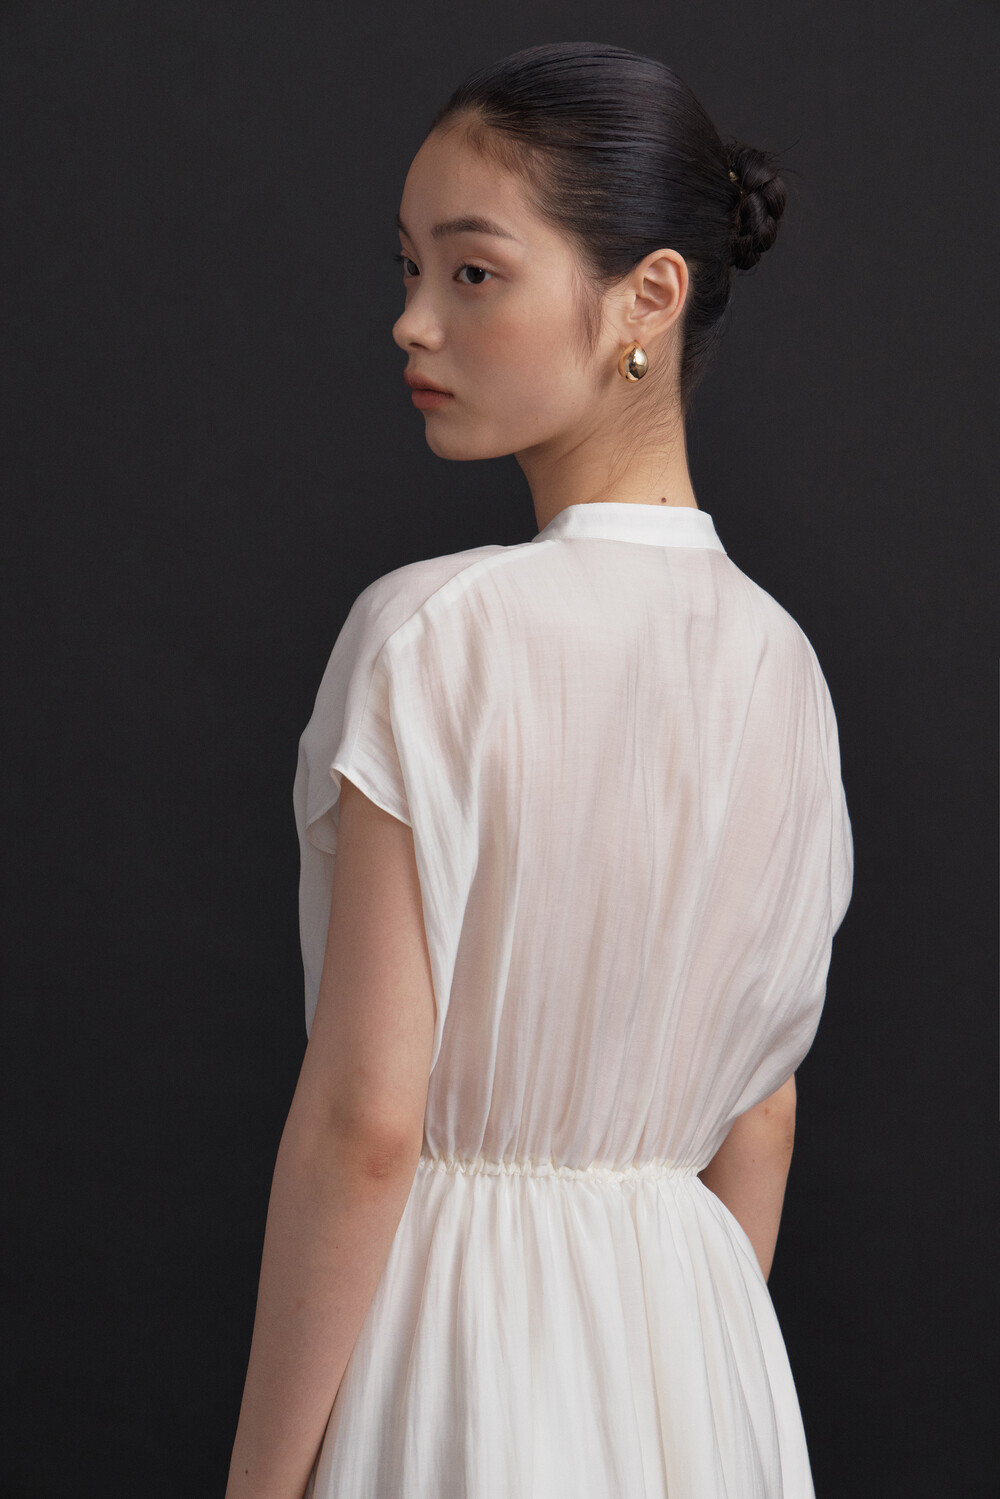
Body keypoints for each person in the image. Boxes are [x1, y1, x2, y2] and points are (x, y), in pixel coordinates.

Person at [225, 40, 853, 1499]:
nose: (411, 321)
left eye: (473, 273)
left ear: (648, 297)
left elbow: (367, 1122)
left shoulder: (435, 635)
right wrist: (672, 1369)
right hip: (695, 1361)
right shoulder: (785, 669)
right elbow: (762, 1114)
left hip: (458, 1344)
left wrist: (260, 1482)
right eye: (410, 270)